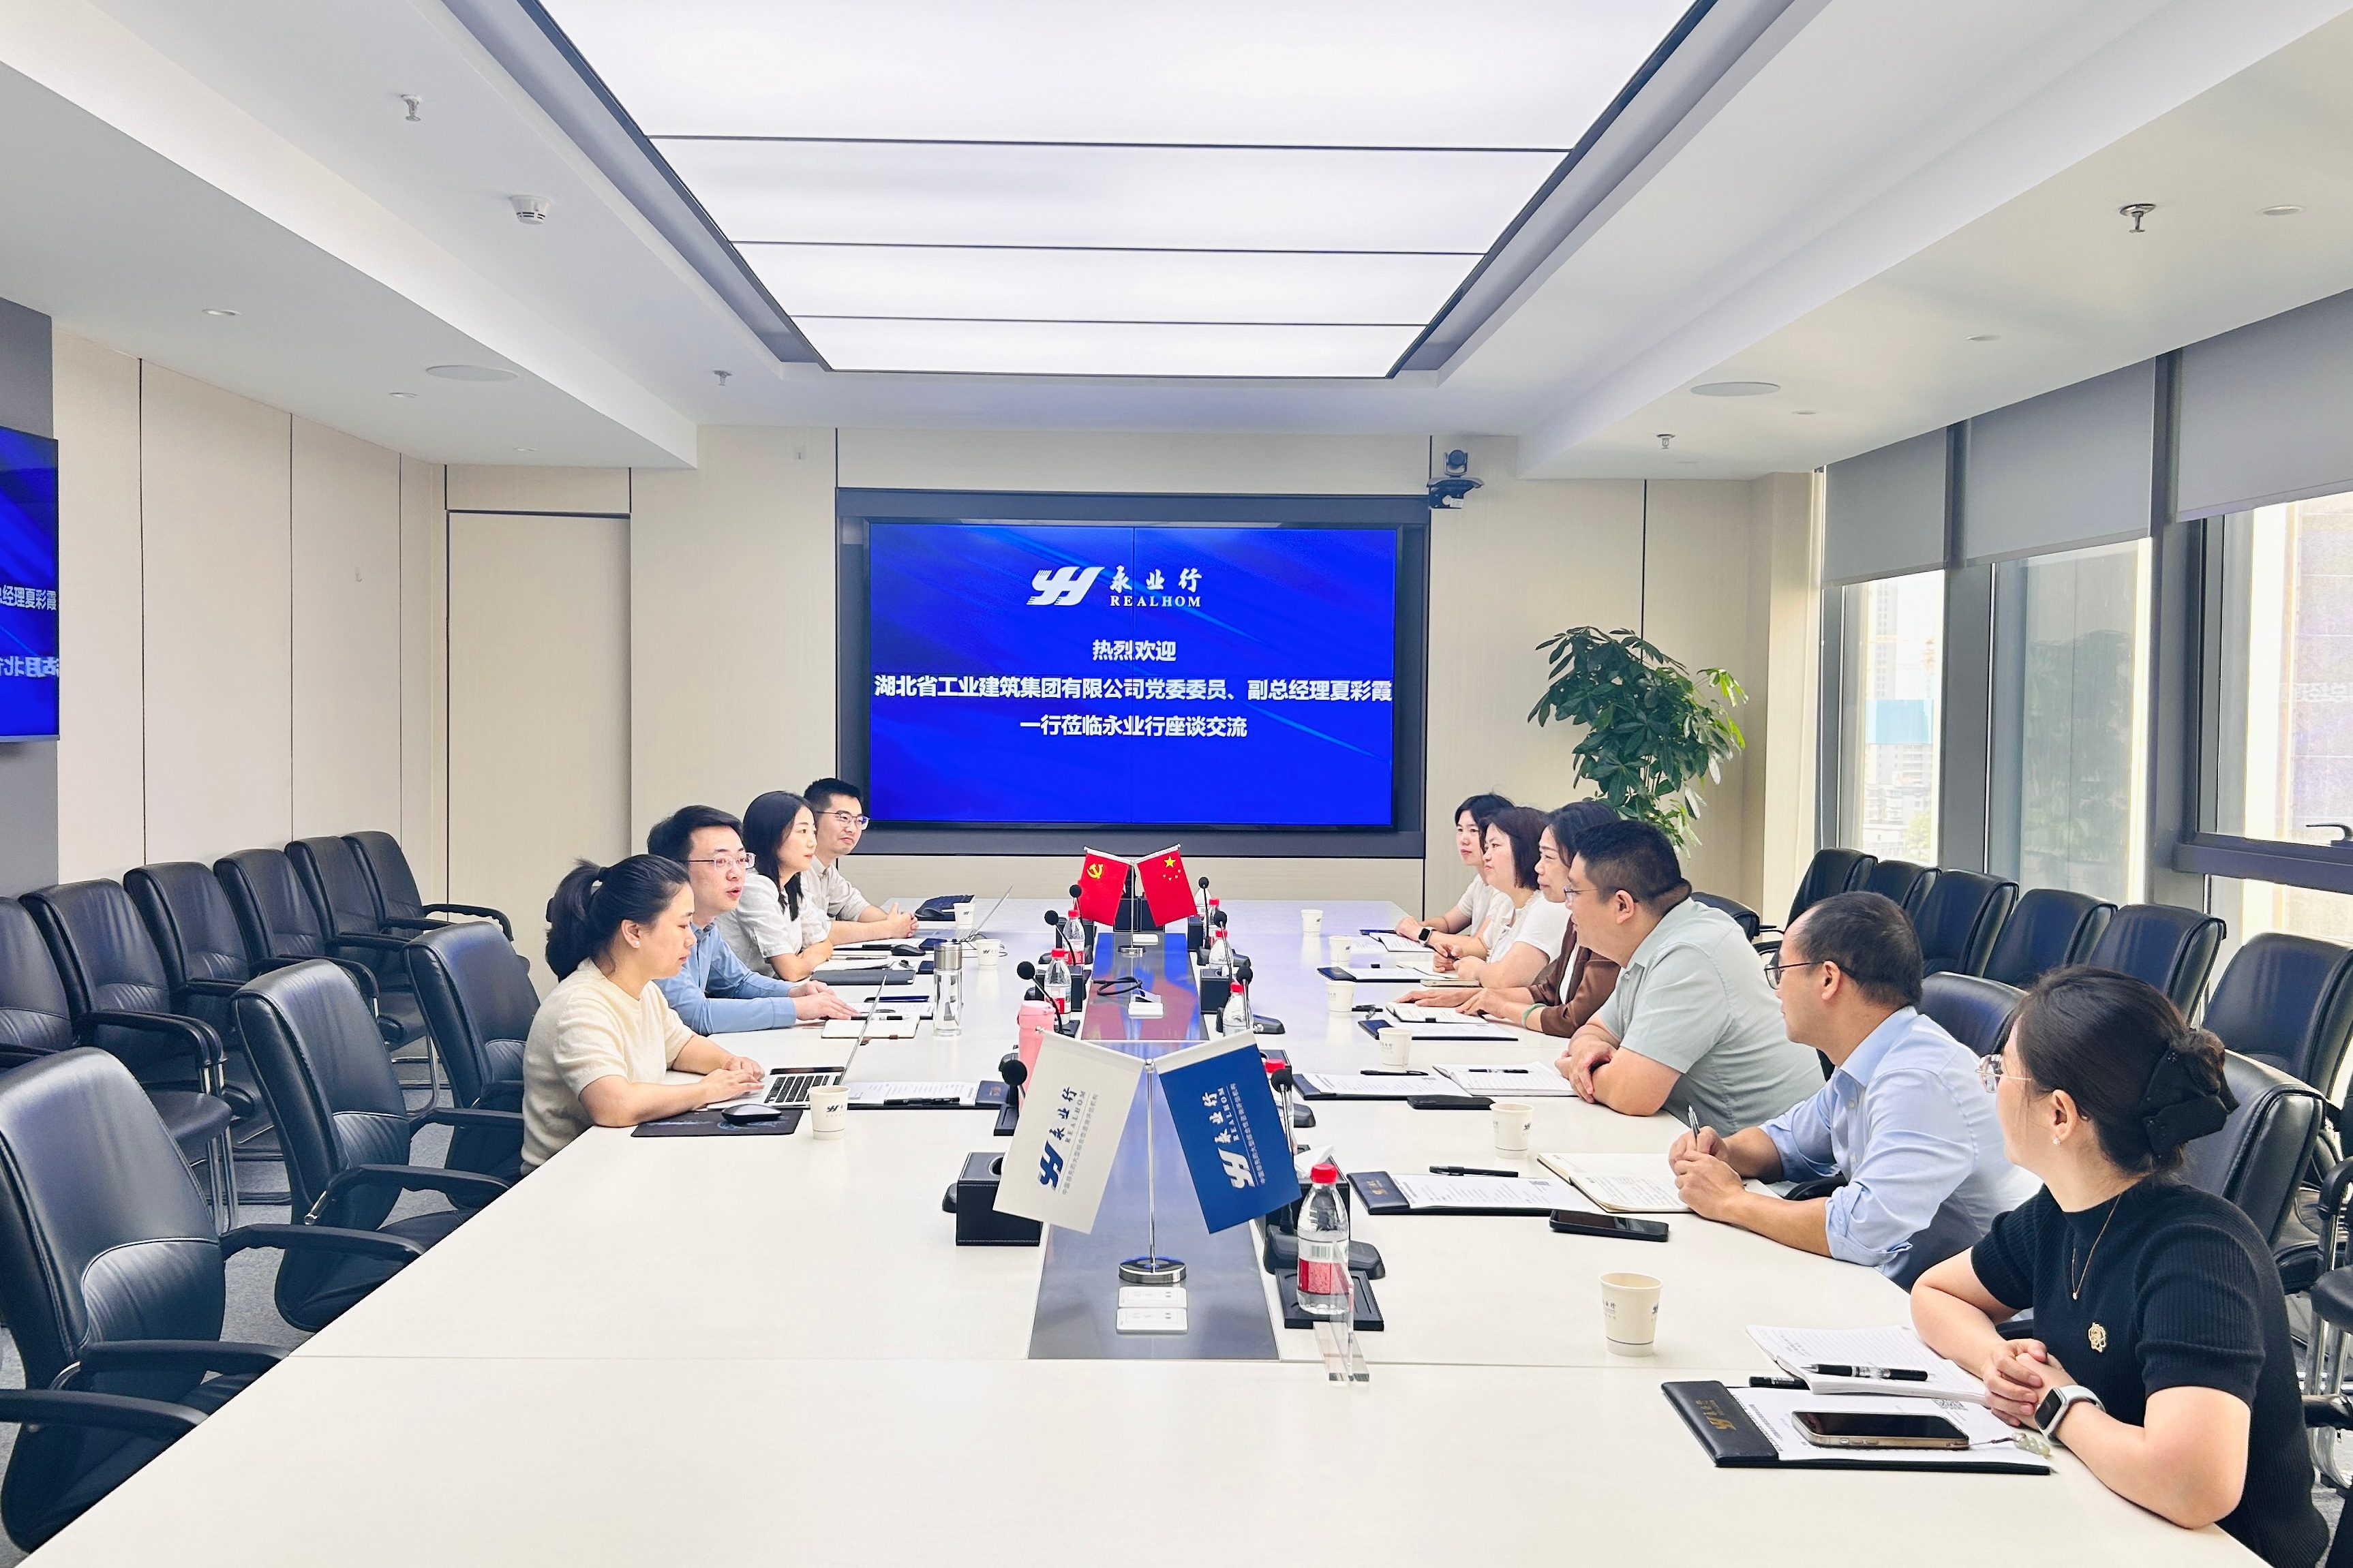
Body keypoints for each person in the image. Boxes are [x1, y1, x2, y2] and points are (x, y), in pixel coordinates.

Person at [1913, 968, 2322, 1568]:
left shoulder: (2197, 1252)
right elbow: (1935, 1293)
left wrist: (2055, 1404)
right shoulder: (2061, 1211)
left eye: (2000, 1071)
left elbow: (2194, 1487)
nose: (1990, 1085)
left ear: (2059, 1114)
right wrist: (1997, 1361)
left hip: (2219, 1551)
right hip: (2107, 1509)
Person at [1667, 892, 2033, 1286]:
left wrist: (1730, 1200)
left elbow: (1860, 1231)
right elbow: (1788, 1142)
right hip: (1898, 1285)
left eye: (1781, 970)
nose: (1776, 990)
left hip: (1971, 1309)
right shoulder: (1869, 1055)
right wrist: (1726, 1152)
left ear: (1828, 979)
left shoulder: (1920, 1080)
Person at [1556, 820, 1821, 1128]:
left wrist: (1575, 1068)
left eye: (1573, 891)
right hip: (1705, 1142)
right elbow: (1595, 1030)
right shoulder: (1653, 940)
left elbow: (1632, 1094)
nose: (1567, 905)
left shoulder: (1692, 954)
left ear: (1622, 905)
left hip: (1766, 1155)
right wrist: (1587, 1051)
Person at [520, 855, 768, 1171]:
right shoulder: (580, 1005)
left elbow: (681, 1046)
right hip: (568, 1178)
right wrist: (706, 1091)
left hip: (620, 1160)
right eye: (682, 925)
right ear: (634, 932)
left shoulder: (643, 989)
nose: (692, 938)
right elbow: (614, 1106)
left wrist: (729, 1063)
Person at [643, 804, 854, 1032]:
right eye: (721, 861)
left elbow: (739, 982)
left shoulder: (707, 927)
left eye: (741, 860)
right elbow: (696, 1015)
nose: (736, 873)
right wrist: (795, 1008)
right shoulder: (655, 931)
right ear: (674, 869)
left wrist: (794, 992)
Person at [1459, 801, 1622, 1032]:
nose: (1538, 867)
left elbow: (1574, 1018)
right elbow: (1548, 993)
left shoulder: (1604, 925)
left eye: (1548, 857)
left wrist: (1504, 1007)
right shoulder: (1574, 913)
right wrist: (1476, 998)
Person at [1402, 806, 1566, 995]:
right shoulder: (1506, 903)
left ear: (1525, 850)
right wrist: (1455, 958)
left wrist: (1476, 969)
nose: (1486, 856)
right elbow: (1483, 950)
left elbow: (1505, 980)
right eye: (1487, 847)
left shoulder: (1549, 906)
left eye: (1495, 846)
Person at [721, 790, 838, 982]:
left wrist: (804, 961)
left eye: (813, 832)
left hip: (774, 988)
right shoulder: (754, 887)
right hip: (739, 994)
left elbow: (824, 944)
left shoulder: (792, 883)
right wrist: (808, 960)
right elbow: (791, 971)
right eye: (802, 832)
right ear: (771, 835)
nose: (813, 842)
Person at [1394, 792, 1514, 955]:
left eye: (1473, 830)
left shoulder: (1506, 887)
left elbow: (1481, 945)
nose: (1464, 839)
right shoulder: (1480, 881)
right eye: (1460, 830)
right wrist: (1415, 926)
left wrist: (1420, 933)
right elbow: (1448, 923)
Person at [802, 778, 917, 943]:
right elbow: (816, 931)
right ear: (812, 818)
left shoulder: (827, 870)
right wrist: (888, 928)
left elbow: (855, 907)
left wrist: (897, 922)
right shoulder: (794, 870)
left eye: (859, 821)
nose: (852, 829)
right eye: (844, 818)